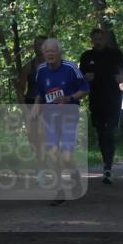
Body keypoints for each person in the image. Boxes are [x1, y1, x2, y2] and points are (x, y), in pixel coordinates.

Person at [33, 38, 89, 204]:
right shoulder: (41, 70)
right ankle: (59, 190)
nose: (50, 54)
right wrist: (37, 105)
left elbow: (85, 89)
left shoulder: (70, 68)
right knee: (52, 154)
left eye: (53, 51)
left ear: (59, 52)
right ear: (43, 54)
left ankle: (74, 174)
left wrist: (70, 97)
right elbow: (39, 92)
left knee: (65, 156)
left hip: (69, 115)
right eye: (47, 52)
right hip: (49, 118)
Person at [79, 28, 123, 185]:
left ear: (104, 39)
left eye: (100, 38)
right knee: (101, 132)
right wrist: (86, 77)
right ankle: (106, 161)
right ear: (91, 40)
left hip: (113, 98)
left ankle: (108, 167)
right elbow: (79, 76)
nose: (98, 41)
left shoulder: (115, 54)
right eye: (95, 39)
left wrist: (122, 76)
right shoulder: (86, 57)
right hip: (96, 99)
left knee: (109, 131)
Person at [21, 36, 47, 153]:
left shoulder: (54, 65)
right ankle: (40, 162)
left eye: (42, 44)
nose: (39, 47)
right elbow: (20, 89)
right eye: (37, 44)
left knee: (44, 134)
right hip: (31, 103)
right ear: (34, 47)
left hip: (48, 103)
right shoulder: (28, 66)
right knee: (33, 136)